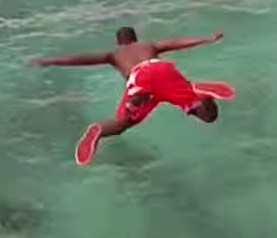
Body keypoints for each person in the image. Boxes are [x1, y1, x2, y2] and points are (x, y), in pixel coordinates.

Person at [30, 26, 235, 165]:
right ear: (135, 39)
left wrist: (51, 61)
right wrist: (207, 39)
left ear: (119, 43)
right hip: (160, 69)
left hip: (140, 81)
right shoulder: (149, 46)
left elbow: (78, 59)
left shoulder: (115, 54)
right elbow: (177, 42)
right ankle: (200, 94)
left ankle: (99, 130)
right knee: (208, 117)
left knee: (123, 123)